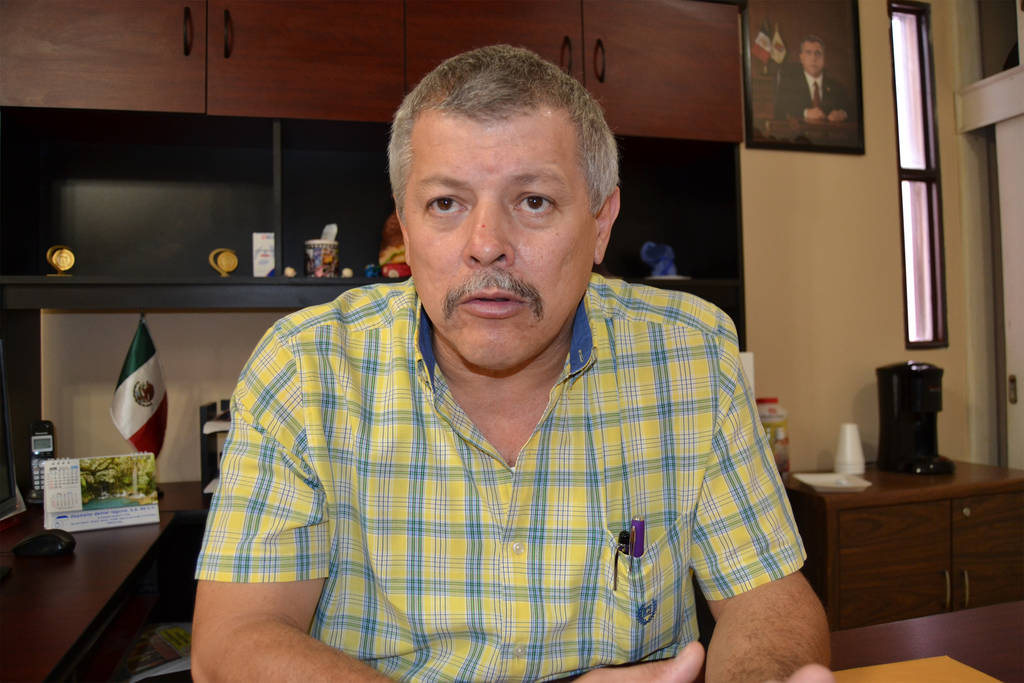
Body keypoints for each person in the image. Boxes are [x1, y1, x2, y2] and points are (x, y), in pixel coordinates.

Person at [192, 45, 833, 683]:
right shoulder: (305, 368)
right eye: (446, 203)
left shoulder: (689, 353)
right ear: (405, 228)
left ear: (600, 223)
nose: (487, 246)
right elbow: (233, 641)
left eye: (533, 202)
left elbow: (767, 600)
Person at [773, 35, 850, 123]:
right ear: (801, 58)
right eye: (808, 53)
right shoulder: (789, 84)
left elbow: (851, 110)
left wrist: (843, 114)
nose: (814, 58)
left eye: (818, 53)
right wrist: (805, 113)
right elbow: (780, 110)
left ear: (824, 58)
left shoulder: (836, 86)